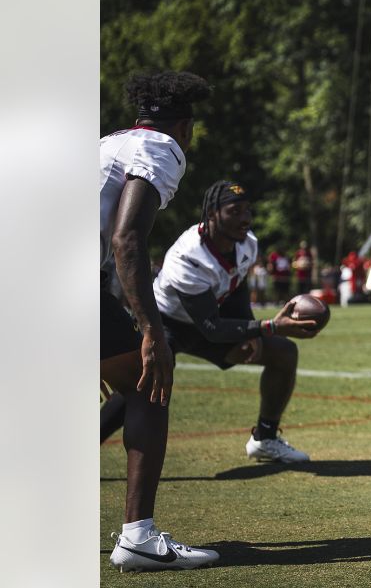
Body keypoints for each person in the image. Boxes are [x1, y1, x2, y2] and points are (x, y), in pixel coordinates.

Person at [102, 181, 320, 464]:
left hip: (207, 321)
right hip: (164, 322)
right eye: (235, 211)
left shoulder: (247, 244)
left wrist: (249, 330)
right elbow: (212, 329)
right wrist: (270, 326)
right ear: (213, 214)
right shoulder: (188, 256)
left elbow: (237, 287)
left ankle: (265, 438)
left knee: (283, 352)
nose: (245, 219)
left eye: (247, 211)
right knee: (148, 380)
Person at [99, 70, 220, 571]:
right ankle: (138, 538)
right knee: (151, 381)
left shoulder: (106, 144)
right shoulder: (160, 148)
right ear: (185, 125)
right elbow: (126, 240)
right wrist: (151, 331)